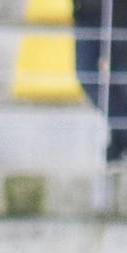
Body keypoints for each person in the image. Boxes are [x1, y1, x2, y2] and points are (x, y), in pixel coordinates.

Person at [74, 0, 127, 162]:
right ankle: (121, 136)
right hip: (87, 12)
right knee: (87, 75)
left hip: (120, 13)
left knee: (121, 77)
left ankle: (120, 139)